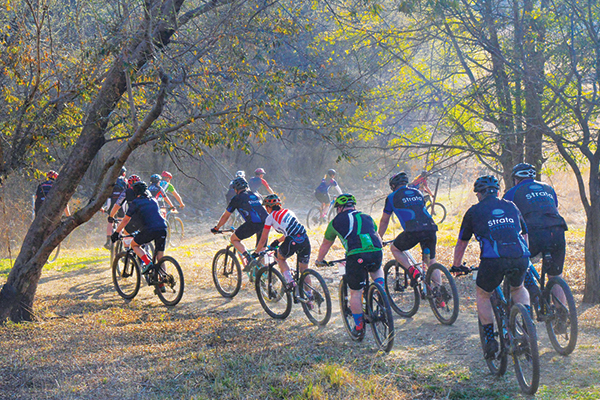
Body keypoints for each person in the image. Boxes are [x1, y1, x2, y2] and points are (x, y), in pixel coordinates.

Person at [451, 175, 531, 360]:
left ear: (479, 194)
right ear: (496, 191)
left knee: (483, 294)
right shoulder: (511, 206)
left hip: (493, 260)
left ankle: (489, 340)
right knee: (518, 287)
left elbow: (462, 242)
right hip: (520, 256)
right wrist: (526, 255)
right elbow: (524, 233)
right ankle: (528, 328)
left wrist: (456, 265)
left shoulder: (474, 211)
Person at [503, 163, 569, 327]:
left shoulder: (512, 192)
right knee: (555, 275)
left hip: (534, 233)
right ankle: (562, 312)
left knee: (521, 264)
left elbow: (509, 218)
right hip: (558, 231)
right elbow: (553, 207)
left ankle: (536, 297)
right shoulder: (548, 188)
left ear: (516, 179)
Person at [315, 194, 384, 336]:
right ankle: (380, 288)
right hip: (376, 251)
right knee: (376, 268)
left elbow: (326, 244)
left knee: (355, 293)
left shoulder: (335, 222)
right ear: (353, 206)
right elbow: (377, 237)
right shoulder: (367, 217)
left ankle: (359, 327)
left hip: (356, 255)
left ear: (339, 208)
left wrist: (319, 260)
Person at [378, 172, 438, 284]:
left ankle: (412, 270)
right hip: (430, 227)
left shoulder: (392, 197)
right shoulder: (418, 192)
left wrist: (379, 237)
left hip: (413, 231)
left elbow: (384, 220)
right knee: (430, 261)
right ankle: (440, 293)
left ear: (393, 186)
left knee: (395, 248)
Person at [111, 181, 168, 285]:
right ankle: (163, 280)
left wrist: (116, 233)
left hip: (150, 229)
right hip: (163, 227)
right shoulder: (154, 200)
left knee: (134, 244)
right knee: (160, 256)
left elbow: (125, 220)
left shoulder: (135, 202)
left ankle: (147, 263)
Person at [255, 194, 311, 288]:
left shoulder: (270, 217)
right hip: (304, 238)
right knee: (304, 270)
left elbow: (263, 239)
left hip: (292, 240)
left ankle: (290, 282)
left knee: (279, 257)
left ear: (268, 207)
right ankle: (309, 296)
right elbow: (292, 230)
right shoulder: (289, 211)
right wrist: (278, 241)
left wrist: (256, 252)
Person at [211, 177, 268, 268]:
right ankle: (266, 272)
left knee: (234, 239)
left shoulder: (236, 198)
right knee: (262, 249)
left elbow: (226, 216)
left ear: (235, 189)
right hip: (266, 223)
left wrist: (217, 228)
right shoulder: (255, 195)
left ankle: (248, 258)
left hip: (252, 224)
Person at [109, 175, 142, 239]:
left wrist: (111, 216)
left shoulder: (127, 192)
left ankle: (127, 247)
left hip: (133, 215)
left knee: (126, 231)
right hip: (147, 215)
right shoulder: (146, 192)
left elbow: (117, 205)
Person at [102, 166, 128, 249]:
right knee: (121, 219)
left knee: (110, 220)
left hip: (111, 200)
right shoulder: (125, 180)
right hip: (121, 202)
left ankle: (107, 241)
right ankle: (119, 240)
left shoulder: (112, 180)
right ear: (124, 173)